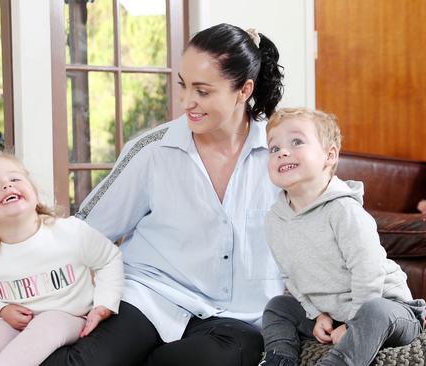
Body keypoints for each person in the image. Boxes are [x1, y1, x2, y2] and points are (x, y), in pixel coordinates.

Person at [42, 23, 286, 366]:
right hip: (150, 296)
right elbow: (87, 231)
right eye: (183, 86)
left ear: (244, 90)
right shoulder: (152, 150)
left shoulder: (282, 156)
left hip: (239, 317)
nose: (187, 102)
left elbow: (326, 227)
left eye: (202, 91)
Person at [258, 108, 426, 366]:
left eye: (296, 142)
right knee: (278, 306)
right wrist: (317, 315)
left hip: (386, 307)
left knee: (375, 312)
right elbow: (292, 277)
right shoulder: (275, 220)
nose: (283, 152)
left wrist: (352, 324)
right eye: (274, 148)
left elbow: (368, 273)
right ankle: (279, 358)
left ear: (329, 156)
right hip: (332, 311)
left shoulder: (344, 211)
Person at [0, 148, 124, 366]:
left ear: (34, 192)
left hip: (70, 318)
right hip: (17, 325)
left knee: (48, 323)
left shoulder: (69, 232)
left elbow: (109, 259)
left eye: (14, 178)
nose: (6, 186)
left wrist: (104, 303)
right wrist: (0, 310)